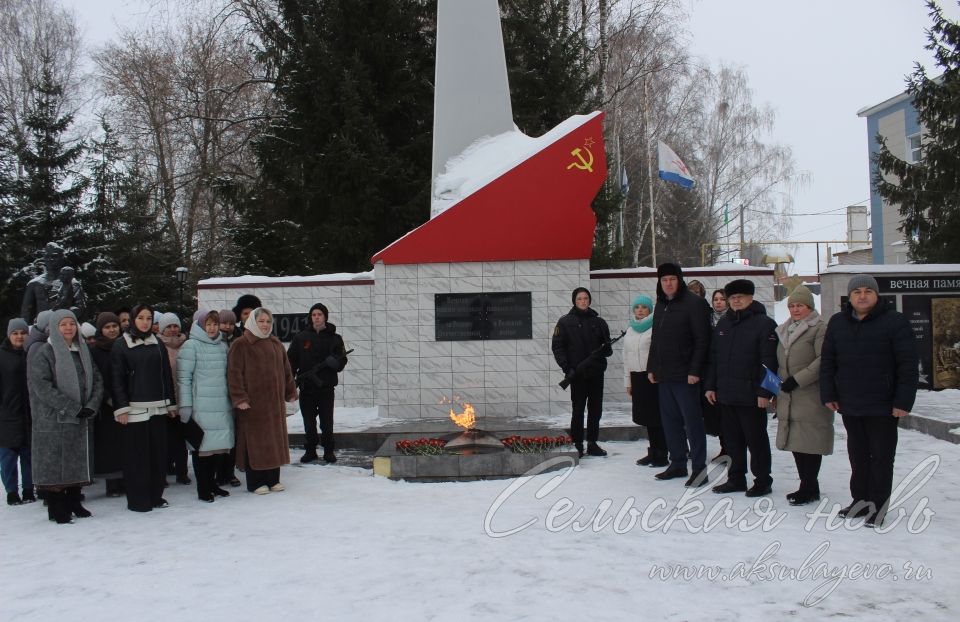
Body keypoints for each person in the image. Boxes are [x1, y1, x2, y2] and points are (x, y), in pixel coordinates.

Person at [821, 274, 919, 527]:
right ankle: (860, 501)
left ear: (876, 295)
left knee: (882, 457)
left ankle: (878, 506)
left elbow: (907, 365)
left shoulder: (894, 322)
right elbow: (828, 362)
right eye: (857, 292)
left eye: (867, 291)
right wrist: (829, 393)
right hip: (850, 402)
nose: (862, 296)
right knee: (858, 456)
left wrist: (903, 401)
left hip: (883, 405)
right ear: (850, 296)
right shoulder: (838, 322)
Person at [27, 309, 103, 523]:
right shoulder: (45, 352)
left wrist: (91, 405)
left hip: (81, 417)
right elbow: (42, 387)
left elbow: (97, 380)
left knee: (75, 462)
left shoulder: (83, 351)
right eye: (63, 324)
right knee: (56, 466)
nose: (68, 328)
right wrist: (71, 407)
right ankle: (57, 509)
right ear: (54, 328)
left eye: (72, 323)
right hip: (54, 418)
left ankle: (74, 502)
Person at [705, 279, 778, 497]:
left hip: (752, 396)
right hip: (726, 394)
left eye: (741, 297)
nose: (736, 301)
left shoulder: (764, 324)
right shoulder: (723, 324)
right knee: (732, 441)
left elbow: (770, 362)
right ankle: (736, 478)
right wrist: (710, 386)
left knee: (756, 441)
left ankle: (763, 480)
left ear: (750, 298)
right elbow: (714, 359)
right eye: (732, 297)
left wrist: (766, 392)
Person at [646, 263, 711, 487]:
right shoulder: (661, 305)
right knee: (670, 422)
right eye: (664, 280)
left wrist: (695, 371)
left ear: (680, 280)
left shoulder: (694, 304)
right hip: (665, 376)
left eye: (672, 279)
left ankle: (700, 469)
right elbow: (656, 338)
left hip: (686, 376)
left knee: (692, 423)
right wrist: (651, 367)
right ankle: (677, 463)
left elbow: (703, 340)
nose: (668, 284)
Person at [111, 304, 178, 512]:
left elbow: (166, 375)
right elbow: (116, 379)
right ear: (133, 319)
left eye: (148, 318)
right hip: (134, 410)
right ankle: (138, 500)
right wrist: (121, 408)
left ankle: (155, 496)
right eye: (141, 317)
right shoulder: (121, 344)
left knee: (157, 456)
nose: (145, 322)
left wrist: (171, 402)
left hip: (158, 408)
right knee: (137, 458)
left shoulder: (156, 342)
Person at [227, 308, 297, 494]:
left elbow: (286, 371)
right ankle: (256, 482)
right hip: (253, 405)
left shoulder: (275, 343)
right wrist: (239, 397)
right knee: (255, 443)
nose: (265, 325)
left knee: (274, 442)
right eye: (261, 321)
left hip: (274, 405)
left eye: (268, 321)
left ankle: (273, 479)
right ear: (252, 322)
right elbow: (234, 374)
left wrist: (290, 392)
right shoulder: (241, 345)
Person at [774, 286, 833, 506]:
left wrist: (798, 379)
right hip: (789, 394)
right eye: (792, 306)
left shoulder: (819, 328)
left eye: (800, 305)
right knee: (796, 443)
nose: (795, 309)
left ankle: (809, 486)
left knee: (810, 442)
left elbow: (823, 360)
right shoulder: (784, 329)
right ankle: (807, 485)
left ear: (810, 307)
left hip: (809, 392)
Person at [177, 310, 235, 502]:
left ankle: (213, 484)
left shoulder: (222, 346)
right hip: (200, 406)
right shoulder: (190, 346)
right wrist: (185, 406)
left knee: (218, 449)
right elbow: (183, 379)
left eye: (215, 324)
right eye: (208, 324)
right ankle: (203, 489)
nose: (211, 328)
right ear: (200, 325)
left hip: (221, 405)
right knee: (202, 449)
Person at [552, 287, 612, 458]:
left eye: (586, 298)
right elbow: (558, 347)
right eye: (579, 299)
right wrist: (567, 368)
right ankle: (577, 443)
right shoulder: (564, 322)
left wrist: (605, 350)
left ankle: (592, 443)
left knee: (595, 409)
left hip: (595, 374)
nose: (583, 301)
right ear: (574, 301)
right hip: (577, 375)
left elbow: (607, 348)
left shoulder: (599, 322)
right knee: (578, 410)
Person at [288, 303, 348, 464]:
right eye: (314, 314)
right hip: (307, 387)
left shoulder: (335, 338)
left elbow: (342, 360)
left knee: (326, 421)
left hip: (326, 388)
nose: (316, 317)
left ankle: (329, 450)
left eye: (320, 314)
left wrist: (335, 364)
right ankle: (310, 450)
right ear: (310, 317)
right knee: (308, 421)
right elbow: (291, 361)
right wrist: (291, 382)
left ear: (325, 317)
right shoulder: (301, 338)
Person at [622, 294, 667, 467]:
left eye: (644, 307)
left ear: (650, 310)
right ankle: (652, 451)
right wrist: (628, 382)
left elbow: (658, 353)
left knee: (657, 417)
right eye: (637, 307)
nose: (640, 310)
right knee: (646, 418)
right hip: (637, 377)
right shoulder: (631, 329)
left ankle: (662, 453)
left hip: (652, 377)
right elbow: (626, 357)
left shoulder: (655, 327)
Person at [89, 313, 125, 497]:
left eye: (114, 326)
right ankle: (112, 484)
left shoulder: (125, 345)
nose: (112, 330)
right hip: (106, 404)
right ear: (100, 330)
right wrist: (108, 398)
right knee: (110, 446)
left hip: (126, 402)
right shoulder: (94, 351)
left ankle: (126, 480)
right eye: (107, 327)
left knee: (126, 444)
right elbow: (95, 377)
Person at [1, 319, 35, 506]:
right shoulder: (2, 355)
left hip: (29, 413)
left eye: (23, 333)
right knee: (8, 456)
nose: (20, 336)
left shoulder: (31, 352)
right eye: (15, 333)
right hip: (7, 414)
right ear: (9, 335)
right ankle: (11, 491)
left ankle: (29, 489)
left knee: (28, 454)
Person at [158, 312, 189, 485]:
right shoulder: (157, 345)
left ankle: (182, 472)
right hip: (166, 400)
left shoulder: (187, 344)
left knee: (180, 440)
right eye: (168, 326)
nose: (172, 329)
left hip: (184, 399)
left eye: (175, 325)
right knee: (164, 440)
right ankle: (163, 471)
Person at [215, 309, 241, 487]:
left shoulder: (239, 342)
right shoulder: (212, 342)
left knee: (233, 436)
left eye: (231, 324)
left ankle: (230, 472)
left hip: (235, 394)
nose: (227, 327)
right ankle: (218, 472)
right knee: (219, 436)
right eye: (224, 323)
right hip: (217, 394)